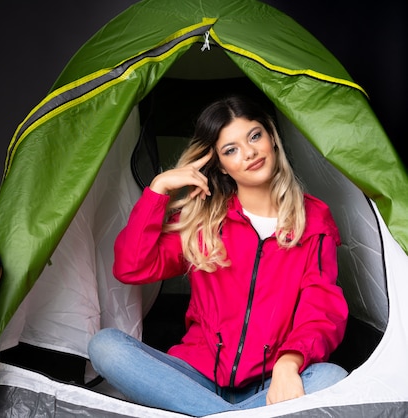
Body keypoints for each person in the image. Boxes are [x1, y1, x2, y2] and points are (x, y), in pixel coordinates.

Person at [87, 95, 349, 416]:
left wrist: (288, 363)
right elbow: (131, 268)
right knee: (106, 347)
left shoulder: (313, 219)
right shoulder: (203, 222)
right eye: (231, 149)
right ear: (221, 165)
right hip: (196, 376)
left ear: (272, 138)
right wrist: (158, 190)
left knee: (331, 377)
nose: (249, 153)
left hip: (269, 383)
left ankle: (204, 413)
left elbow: (321, 310)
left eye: (255, 136)